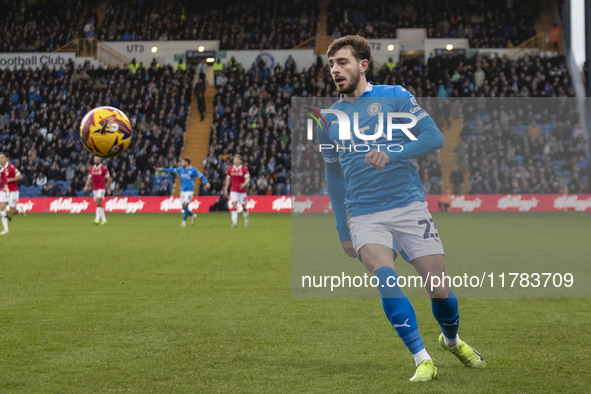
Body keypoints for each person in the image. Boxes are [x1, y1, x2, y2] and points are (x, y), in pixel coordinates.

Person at [320, 35, 485, 383]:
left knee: (440, 290)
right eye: (331, 64)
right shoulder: (329, 119)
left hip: (409, 207)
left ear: (363, 65)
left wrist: (393, 152)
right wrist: (342, 229)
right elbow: (333, 173)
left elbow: (434, 137)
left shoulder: (395, 96)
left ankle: (451, 340)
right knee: (386, 278)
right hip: (364, 214)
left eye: (343, 62)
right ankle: (421, 358)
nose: (335, 69)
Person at [157, 158, 210, 227]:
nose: (182, 163)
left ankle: (183, 222)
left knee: (185, 205)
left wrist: (207, 183)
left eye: (183, 162)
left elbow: (201, 176)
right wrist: (162, 169)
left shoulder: (193, 170)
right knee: (184, 207)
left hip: (189, 191)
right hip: (182, 191)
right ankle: (193, 215)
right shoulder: (180, 169)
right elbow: (172, 170)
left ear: (187, 163)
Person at [0, 152, 25, 235]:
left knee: (12, 212)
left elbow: (20, 176)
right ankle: (6, 229)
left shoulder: (11, 167)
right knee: (2, 208)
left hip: (13, 191)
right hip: (3, 190)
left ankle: (20, 210)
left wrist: (8, 180)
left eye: (2, 157)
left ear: (6, 159)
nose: (1, 159)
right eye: (0, 158)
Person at [84, 156, 112, 225]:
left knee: (99, 201)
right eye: (95, 159)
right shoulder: (92, 168)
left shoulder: (104, 168)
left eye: (97, 159)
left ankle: (97, 219)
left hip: (101, 187)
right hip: (95, 188)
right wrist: (86, 186)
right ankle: (104, 220)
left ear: (100, 160)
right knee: (98, 204)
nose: (96, 160)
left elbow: (109, 179)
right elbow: (89, 178)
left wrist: (108, 188)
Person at [224, 154, 250, 228]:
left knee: (244, 206)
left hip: (242, 191)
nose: (236, 161)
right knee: (234, 205)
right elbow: (228, 179)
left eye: (238, 159)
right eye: (235, 159)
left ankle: (246, 220)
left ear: (241, 161)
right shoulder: (230, 169)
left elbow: (247, 179)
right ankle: (234, 223)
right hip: (233, 190)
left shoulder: (244, 169)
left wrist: (244, 184)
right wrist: (226, 189)